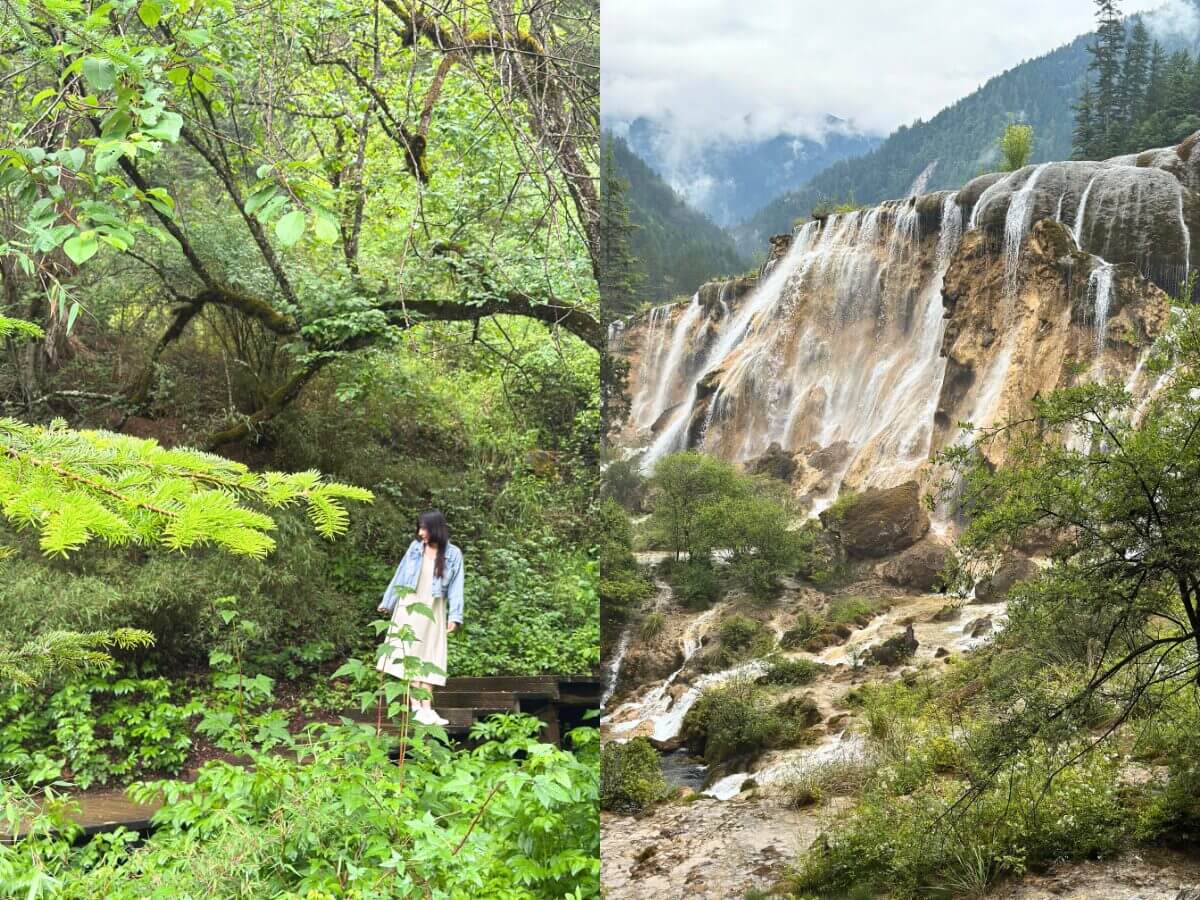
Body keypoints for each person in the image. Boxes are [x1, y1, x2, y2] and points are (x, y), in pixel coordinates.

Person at [376, 509, 464, 725]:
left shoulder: (453, 554)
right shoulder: (415, 548)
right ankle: (416, 707)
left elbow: (457, 587)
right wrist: (388, 601)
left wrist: (455, 616)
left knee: (432, 655)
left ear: (436, 528)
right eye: (420, 528)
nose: (420, 533)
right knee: (411, 653)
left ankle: (427, 708)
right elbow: (400, 574)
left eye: (424, 528)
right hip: (409, 606)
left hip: (434, 608)